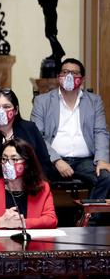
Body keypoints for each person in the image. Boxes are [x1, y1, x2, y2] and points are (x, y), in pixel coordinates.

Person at [31, 58, 110, 200]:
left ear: (83, 79)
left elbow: (100, 132)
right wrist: (56, 160)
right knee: (31, 176)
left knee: (105, 177)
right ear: (58, 77)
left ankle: (89, 220)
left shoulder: (94, 101)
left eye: (74, 73)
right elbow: (37, 135)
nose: (69, 76)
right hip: (51, 160)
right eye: (65, 72)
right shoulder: (42, 101)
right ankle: (45, 219)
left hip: (85, 160)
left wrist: (102, 160)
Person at [0, 138, 58, 230]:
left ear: (27, 163)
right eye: (4, 159)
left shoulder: (42, 187)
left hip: (31, 243)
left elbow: (51, 220)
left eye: (14, 159)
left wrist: (22, 223)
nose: (7, 164)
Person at [0, 88, 54, 179]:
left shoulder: (29, 129)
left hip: (28, 185)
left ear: (16, 110)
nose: (1, 111)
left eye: (6, 107)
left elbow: (44, 163)